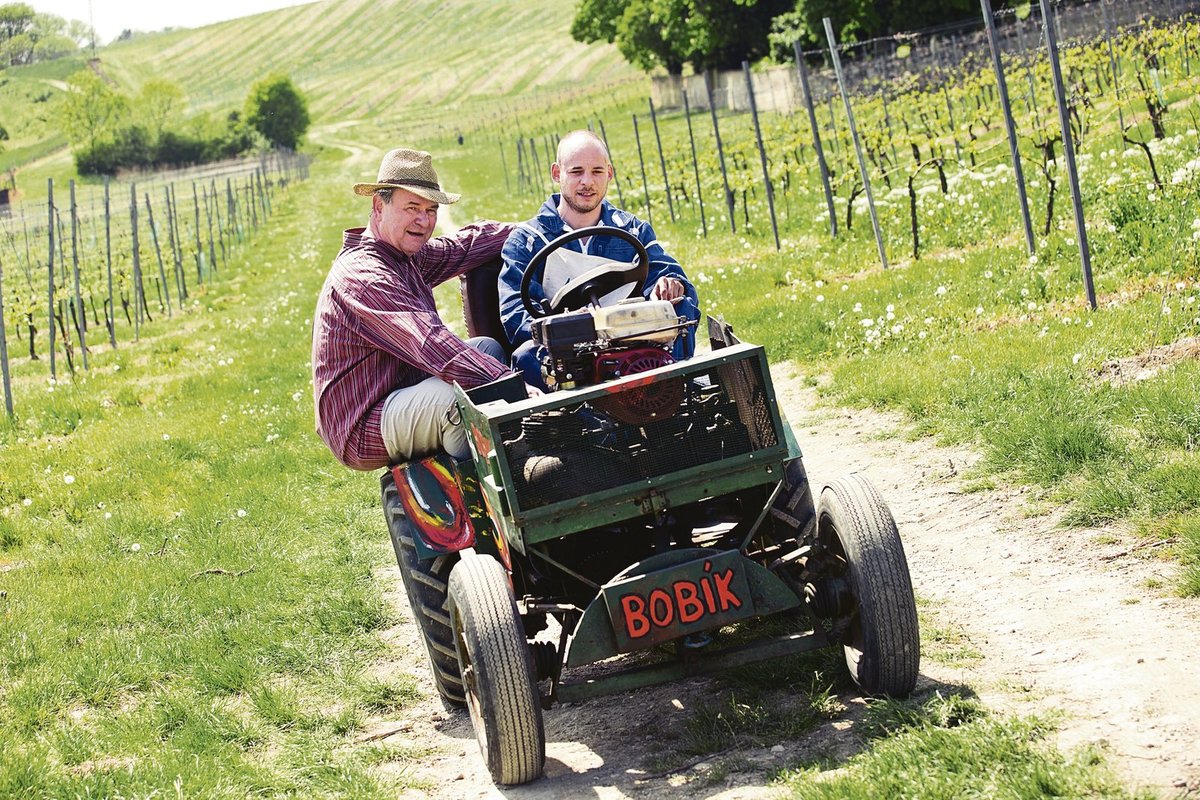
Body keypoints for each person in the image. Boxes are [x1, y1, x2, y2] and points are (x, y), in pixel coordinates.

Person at [312, 147, 526, 470]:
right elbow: (432, 345)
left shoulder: (406, 255)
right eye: (412, 207)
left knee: (488, 349)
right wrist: (518, 387)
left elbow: (464, 245)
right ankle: (495, 484)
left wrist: (536, 230)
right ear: (378, 206)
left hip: (401, 389)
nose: (423, 220)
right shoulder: (366, 276)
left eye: (430, 209)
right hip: (363, 421)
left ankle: (509, 443)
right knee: (457, 404)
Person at [498, 130, 700, 389]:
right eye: (576, 172)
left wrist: (670, 284)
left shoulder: (632, 230)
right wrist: (571, 324)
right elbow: (515, 316)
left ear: (609, 173)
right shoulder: (527, 240)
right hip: (569, 355)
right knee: (526, 356)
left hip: (632, 339)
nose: (587, 182)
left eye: (596, 171)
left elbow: (668, 274)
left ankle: (672, 395)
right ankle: (578, 425)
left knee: (680, 306)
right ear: (557, 174)